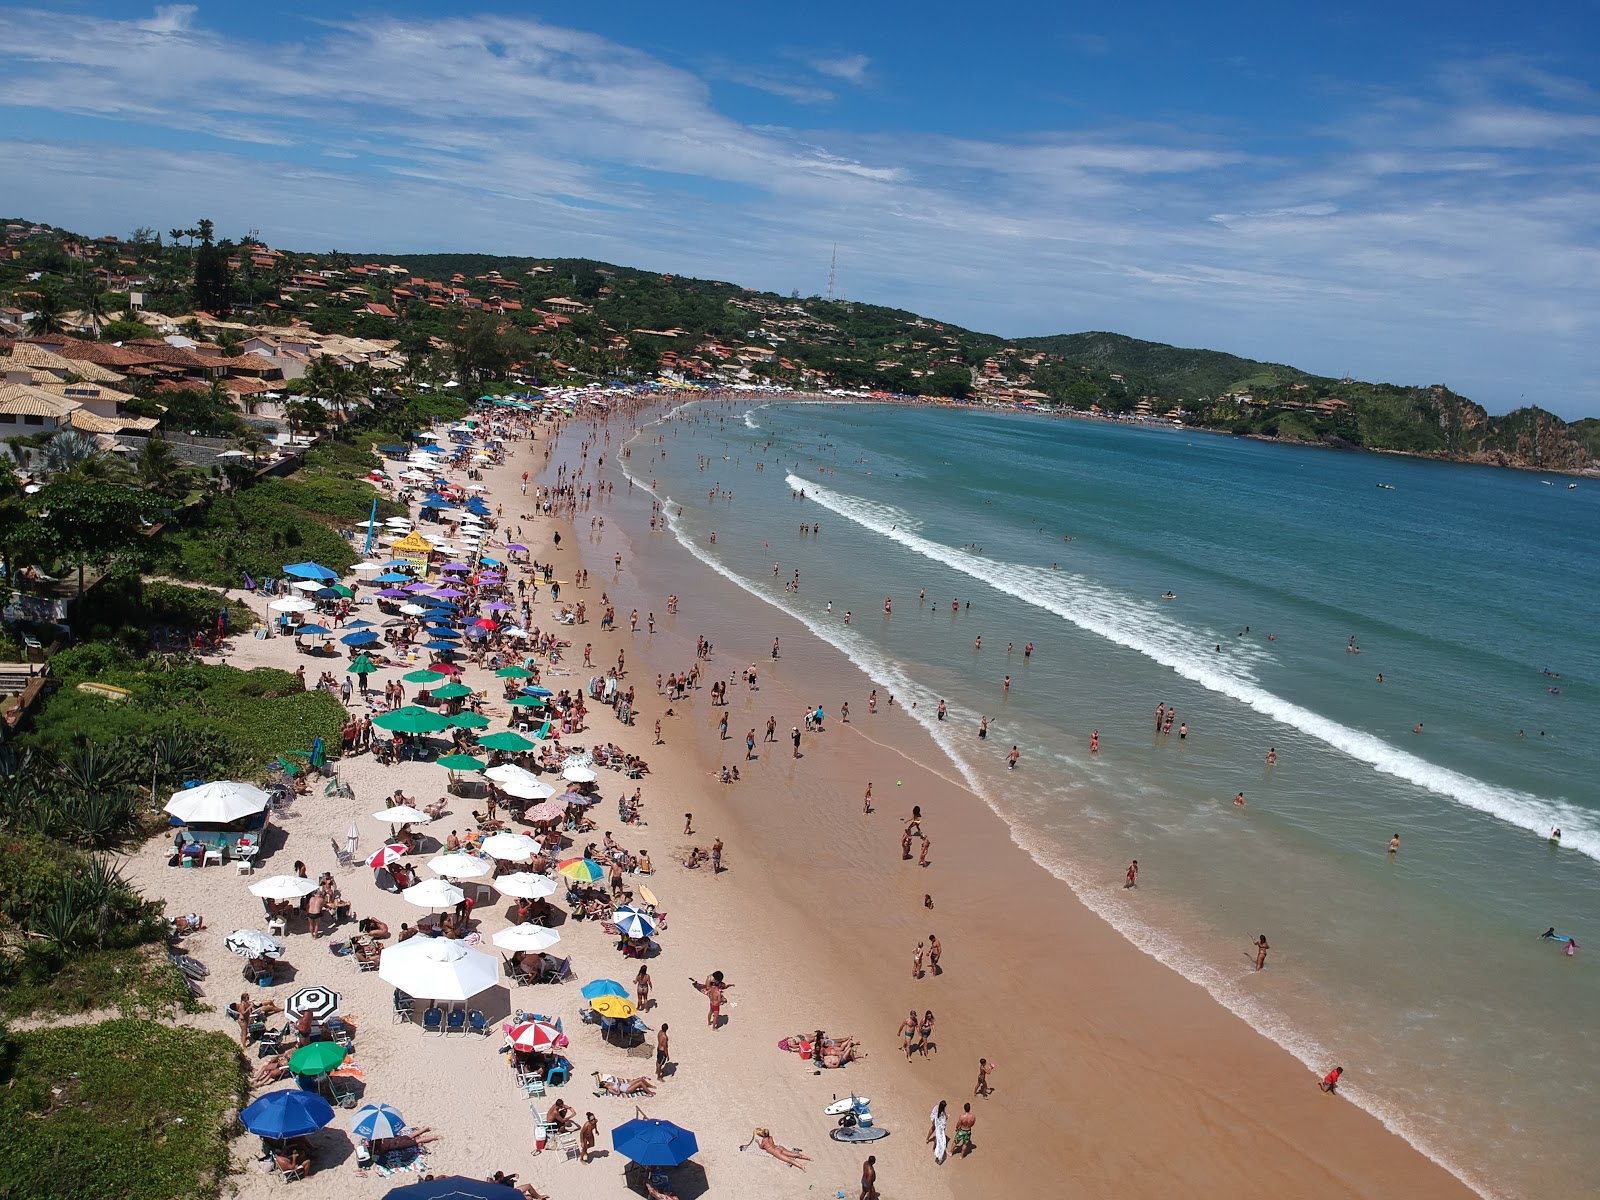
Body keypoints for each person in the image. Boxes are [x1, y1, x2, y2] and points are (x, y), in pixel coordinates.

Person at [928, 1099, 949, 1164]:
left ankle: (927, 1139)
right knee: (938, 1139)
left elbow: (933, 1114)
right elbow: (943, 1122)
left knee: (932, 1130)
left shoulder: (936, 1107)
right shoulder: (942, 1112)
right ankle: (934, 1148)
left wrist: (933, 1121)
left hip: (935, 1123)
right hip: (939, 1126)